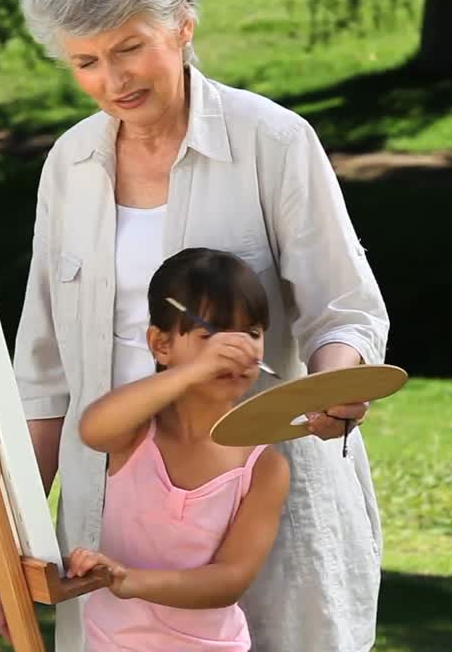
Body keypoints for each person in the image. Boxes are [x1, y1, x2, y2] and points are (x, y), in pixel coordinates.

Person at [0, 0, 391, 649]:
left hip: (258, 505)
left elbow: (343, 309)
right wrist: (14, 546)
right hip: (112, 525)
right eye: (86, 62)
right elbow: (45, 371)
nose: (113, 80)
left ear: (182, 25)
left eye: (130, 48)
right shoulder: (69, 165)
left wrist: (336, 387)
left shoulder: (273, 141)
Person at [67, 248, 290, 650]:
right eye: (211, 336)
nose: (236, 349)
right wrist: (196, 369)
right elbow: (93, 429)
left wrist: (130, 580)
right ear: (160, 344)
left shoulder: (264, 467)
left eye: (252, 333)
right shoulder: (136, 433)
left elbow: (230, 579)